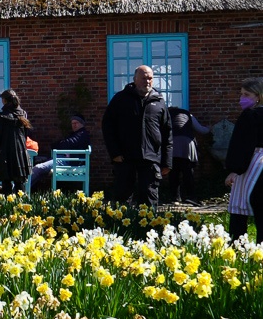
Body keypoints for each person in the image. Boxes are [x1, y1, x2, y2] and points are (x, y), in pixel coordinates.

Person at [101, 62, 173, 209]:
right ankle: (122, 223)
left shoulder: (159, 101)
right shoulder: (121, 99)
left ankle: (148, 224)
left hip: (151, 157)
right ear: (135, 79)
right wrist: (114, 153)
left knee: (149, 198)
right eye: (143, 78)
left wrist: (167, 161)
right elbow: (107, 126)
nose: (147, 81)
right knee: (122, 200)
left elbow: (167, 132)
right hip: (125, 157)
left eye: (150, 78)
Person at [224, 78, 263, 240]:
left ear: (258, 96)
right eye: (241, 94)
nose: (242, 98)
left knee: (239, 209)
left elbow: (242, 144)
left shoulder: (250, 115)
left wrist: (235, 169)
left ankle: (237, 245)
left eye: (246, 94)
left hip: (252, 162)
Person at [163, 104, 212, 206]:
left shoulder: (166, 115)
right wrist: (209, 128)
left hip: (172, 144)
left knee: (173, 173)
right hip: (187, 144)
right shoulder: (187, 114)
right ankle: (191, 197)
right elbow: (201, 130)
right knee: (188, 172)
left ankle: (175, 198)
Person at [31, 111, 91, 191]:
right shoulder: (75, 134)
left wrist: (57, 145)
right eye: (72, 123)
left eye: (76, 123)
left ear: (82, 124)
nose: (74, 125)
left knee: (38, 168)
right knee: (39, 163)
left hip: (69, 162)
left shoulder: (82, 134)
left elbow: (68, 143)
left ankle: (23, 189)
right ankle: (28, 189)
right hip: (63, 158)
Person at [0, 89, 32, 196]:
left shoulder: (1, 117)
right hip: (20, 151)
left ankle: (9, 203)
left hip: (5, 152)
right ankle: (21, 203)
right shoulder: (23, 114)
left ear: (4, 100)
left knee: (6, 181)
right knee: (20, 182)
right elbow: (25, 135)